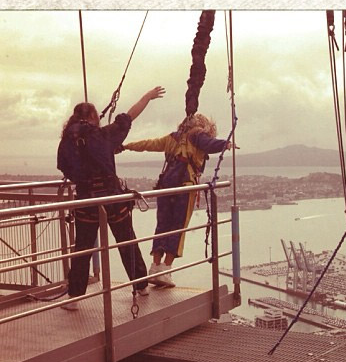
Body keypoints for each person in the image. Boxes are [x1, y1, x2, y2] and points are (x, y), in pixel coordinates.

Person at [57, 86, 165, 310]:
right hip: (112, 199)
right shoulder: (103, 135)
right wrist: (147, 96)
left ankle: (74, 297)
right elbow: (130, 115)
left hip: (86, 201)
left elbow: (65, 166)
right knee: (126, 241)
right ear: (94, 117)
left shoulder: (66, 141)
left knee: (83, 248)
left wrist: (84, 177)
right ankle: (141, 285)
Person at [122, 113, 233, 287]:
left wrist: (126, 146)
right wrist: (224, 144)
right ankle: (166, 270)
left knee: (162, 225)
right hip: (184, 184)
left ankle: (154, 268)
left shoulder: (172, 138)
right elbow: (208, 144)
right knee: (178, 227)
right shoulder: (197, 134)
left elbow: (148, 144)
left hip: (166, 184)